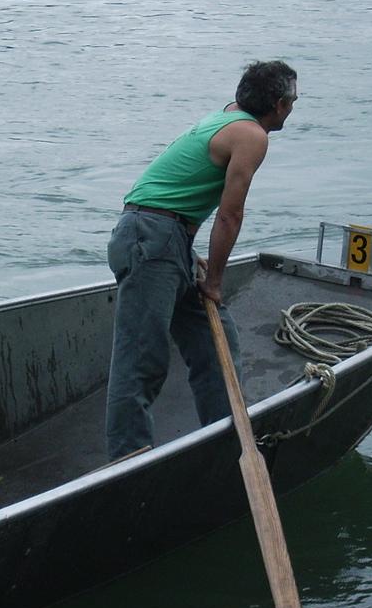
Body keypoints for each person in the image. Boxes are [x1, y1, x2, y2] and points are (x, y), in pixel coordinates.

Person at [105, 60, 298, 461]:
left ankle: (226, 442)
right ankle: (127, 460)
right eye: (293, 100)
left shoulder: (229, 115)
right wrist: (214, 282)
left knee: (214, 341)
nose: (294, 107)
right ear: (279, 104)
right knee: (141, 359)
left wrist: (188, 254)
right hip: (150, 237)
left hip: (169, 237)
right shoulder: (251, 135)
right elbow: (230, 215)